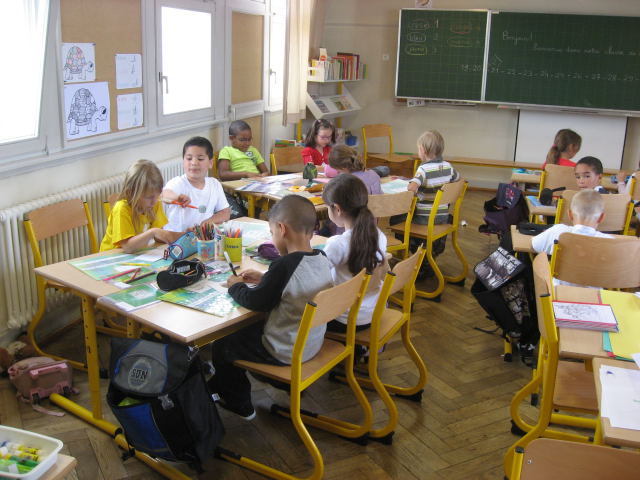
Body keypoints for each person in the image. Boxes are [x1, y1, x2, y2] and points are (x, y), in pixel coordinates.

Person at [209, 195, 333, 420]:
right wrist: (265, 278)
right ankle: (282, 384)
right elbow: (294, 283)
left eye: (272, 232)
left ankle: (239, 403)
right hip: (310, 343)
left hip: (284, 351)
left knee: (222, 345)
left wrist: (235, 286)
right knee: (245, 332)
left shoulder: (284, 265)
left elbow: (256, 302)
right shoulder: (321, 257)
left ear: (282, 229)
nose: (273, 238)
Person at [322, 174, 387, 332]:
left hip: (344, 319)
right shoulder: (379, 235)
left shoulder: (338, 244)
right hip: (374, 312)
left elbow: (314, 275)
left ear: (337, 209)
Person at [531, 190, 612, 286]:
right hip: (595, 294)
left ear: (569, 214)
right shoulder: (609, 242)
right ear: (601, 217)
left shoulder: (559, 231)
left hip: (559, 292)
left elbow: (534, 245)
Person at [100, 159, 182, 253]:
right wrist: (153, 232)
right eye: (149, 197)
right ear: (131, 193)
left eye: (157, 196)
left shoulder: (154, 203)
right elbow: (128, 247)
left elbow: (159, 237)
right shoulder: (121, 208)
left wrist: (183, 235)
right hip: (111, 256)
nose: (154, 201)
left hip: (137, 254)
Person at [162, 136, 231, 231]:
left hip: (201, 235)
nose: (194, 163)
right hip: (176, 237)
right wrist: (177, 197)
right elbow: (165, 195)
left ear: (210, 163)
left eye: (200, 159)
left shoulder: (214, 184)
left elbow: (225, 212)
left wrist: (206, 223)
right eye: (189, 158)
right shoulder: (178, 182)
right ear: (183, 162)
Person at [408, 130, 460, 225]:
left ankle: (414, 236)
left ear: (423, 150)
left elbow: (411, 188)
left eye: (418, 149)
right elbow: (458, 180)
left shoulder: (423, 169)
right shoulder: (448, 167)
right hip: (443, 216)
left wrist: (413, 188)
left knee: (396, 219)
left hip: (424, 218)